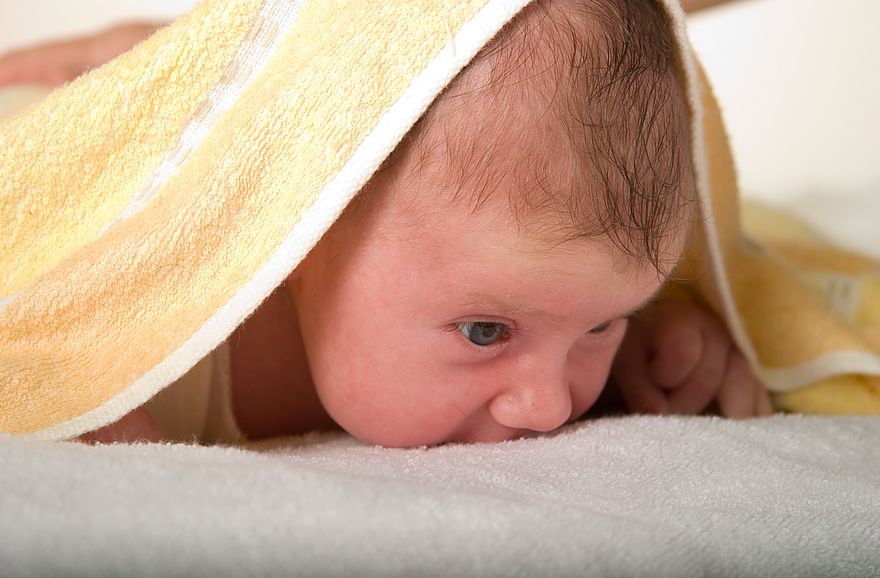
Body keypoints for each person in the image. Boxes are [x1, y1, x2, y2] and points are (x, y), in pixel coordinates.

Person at [0, 0, 772, 447]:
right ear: (306, 220)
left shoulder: (499, 267)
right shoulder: (133, 308)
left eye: (605, 323)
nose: (551, 406)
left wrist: (664, 336)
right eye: (484, 332)